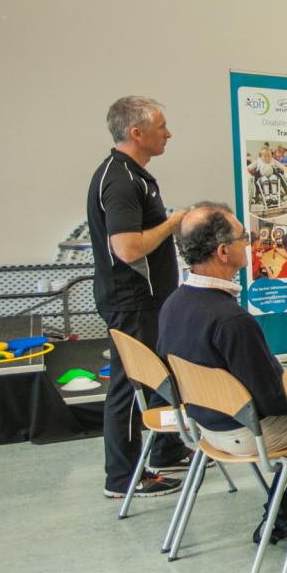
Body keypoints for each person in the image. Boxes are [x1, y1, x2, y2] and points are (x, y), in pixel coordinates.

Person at [88, 95, 187, 498]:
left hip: (152, 299)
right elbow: (127, 248)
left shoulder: (137, 174)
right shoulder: (120, 180)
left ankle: (167, 450)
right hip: (132, 300)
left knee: (163, 374)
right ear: (136, 132)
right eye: (161, 126)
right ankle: (124, 478)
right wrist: (172, 224)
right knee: (130, 386)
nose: (168, 133)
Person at [157, 204, 287, 456]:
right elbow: (274, 401)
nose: (247, 244)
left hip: (207, 428)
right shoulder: (232, 320)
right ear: (223, 251)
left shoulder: (173, 303)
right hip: (251, 433)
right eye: (243, 238)